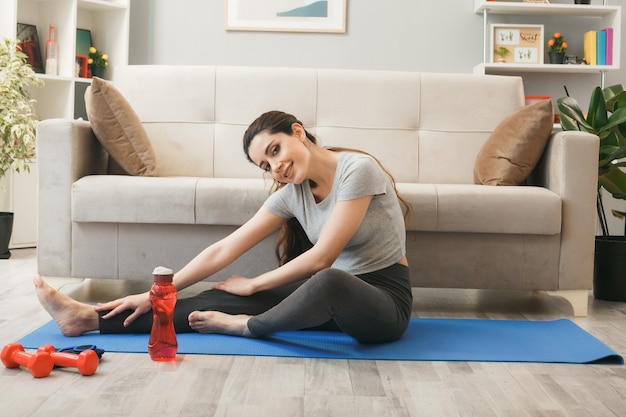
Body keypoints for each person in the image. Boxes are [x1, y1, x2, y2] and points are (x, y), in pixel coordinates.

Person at [34, 110, 412, 343]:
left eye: (275, 150)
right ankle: (88, 319)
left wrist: (255, 282)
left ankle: (248, 327)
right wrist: (155, 294)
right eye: (265, 165)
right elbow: (223, 250)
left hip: (382, 305)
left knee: (325, 280)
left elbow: (323, 258)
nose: (275, 167)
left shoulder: (357, 171)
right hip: (329, 305)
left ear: (298, 132)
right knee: (216, 298)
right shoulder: (291, 194)